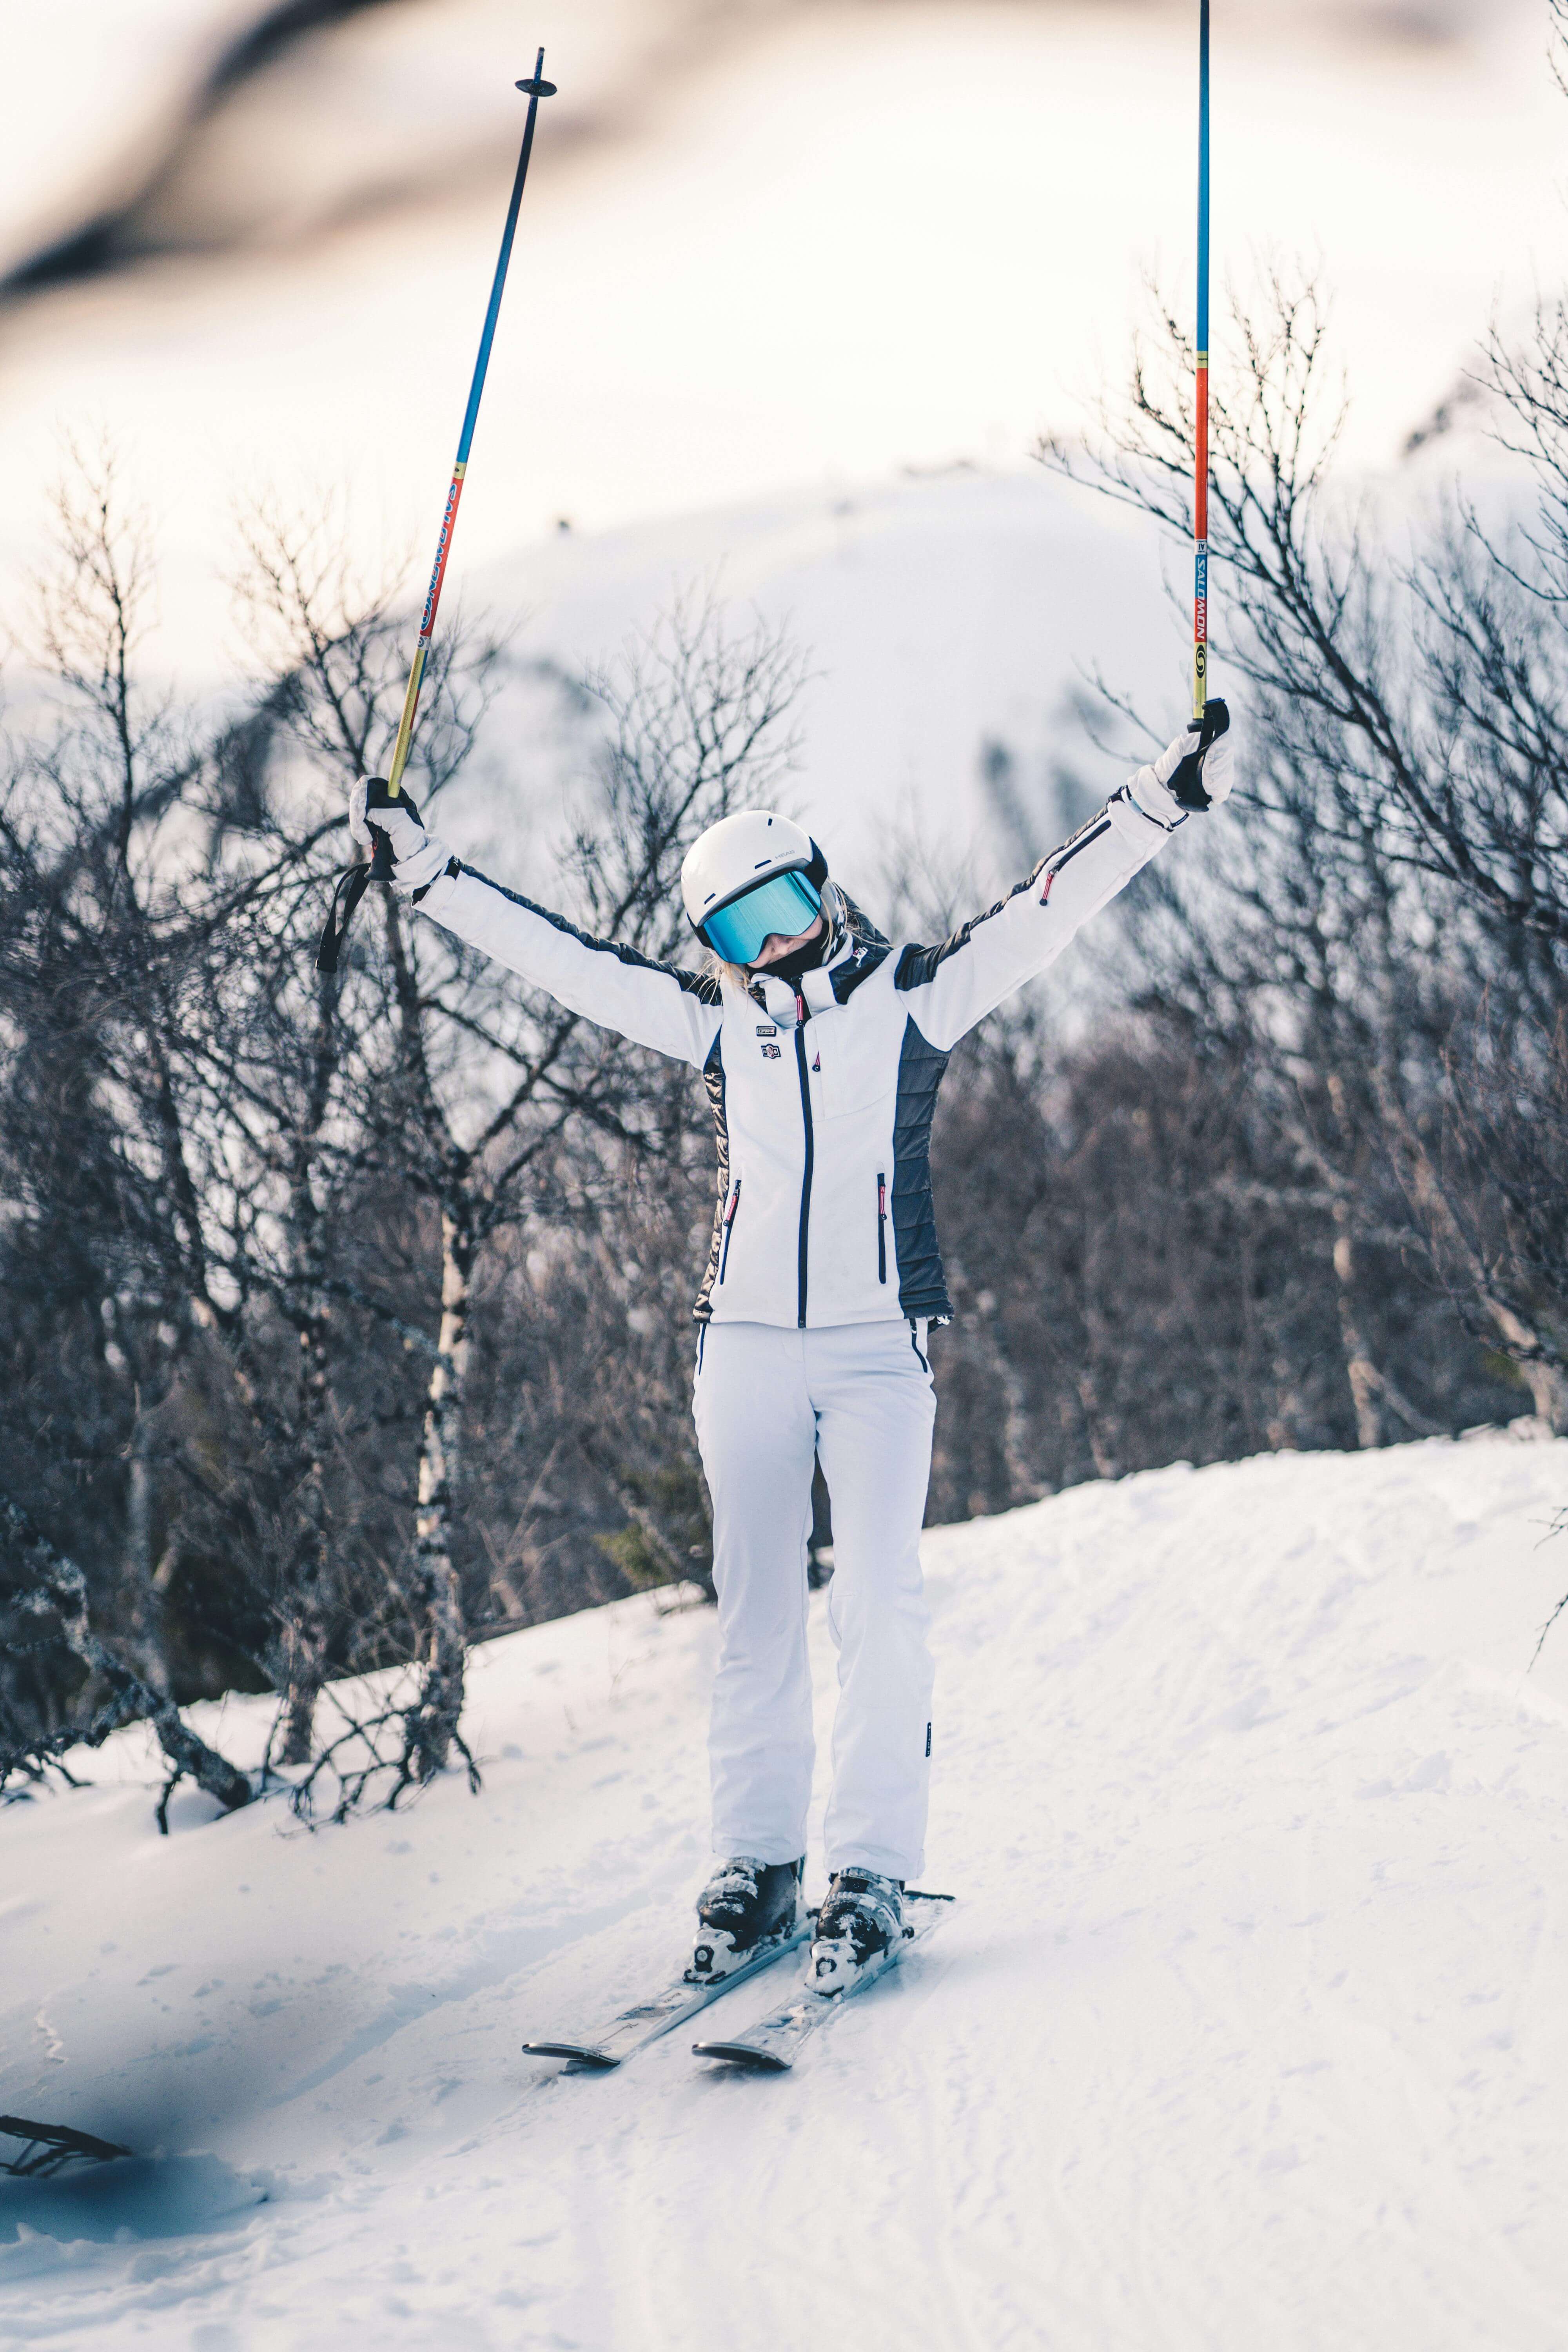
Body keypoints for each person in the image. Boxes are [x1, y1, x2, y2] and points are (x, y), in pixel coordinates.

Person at [348, 701, 1236, 1989]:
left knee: (877, 1602)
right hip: (746, 1348)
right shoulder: (720, 1024)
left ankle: (868, 1871)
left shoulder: (915, 997)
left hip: (879, 1349)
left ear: (821, 887)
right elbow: (566, 963)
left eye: (778, 911)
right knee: (756, 1612)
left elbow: (1046, 910)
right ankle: (758, 1866)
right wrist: (426, 874)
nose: (766, 948)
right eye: (733, 933)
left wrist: (1161, 798)